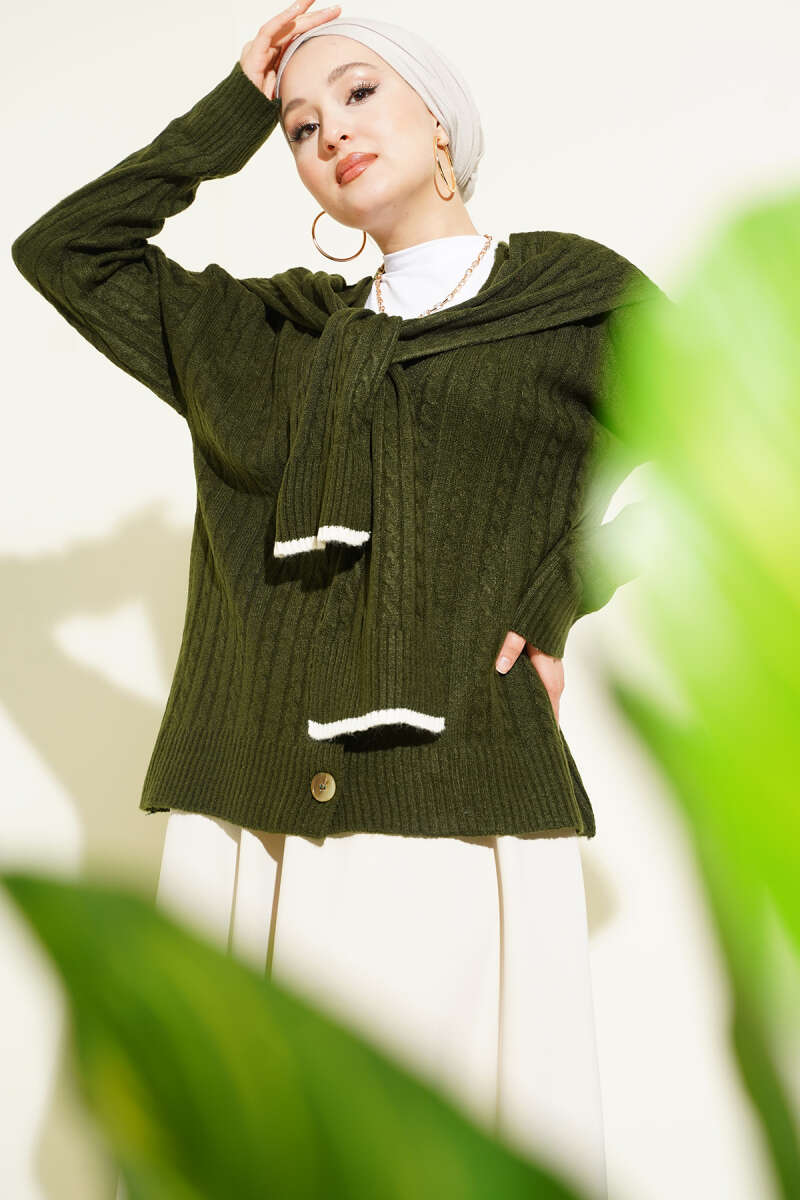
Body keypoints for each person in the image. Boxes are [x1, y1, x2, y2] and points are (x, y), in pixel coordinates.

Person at [11, 8, 671, 1198]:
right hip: (255, 813)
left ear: (437, 117)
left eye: (359, 94)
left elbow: (738, 435)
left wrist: (559, 596)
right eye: (301, 127)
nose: (331, 135)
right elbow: (66, 251)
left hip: (456, 804)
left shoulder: (572, 298)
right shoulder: (267, 335)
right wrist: (233, 104)